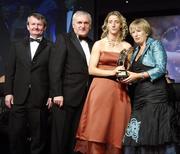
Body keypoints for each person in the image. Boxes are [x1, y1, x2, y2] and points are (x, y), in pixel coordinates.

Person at [74, 11, 132, 154]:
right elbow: (91, 70)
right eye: (110, 21)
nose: (113, 24)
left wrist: (125, 76)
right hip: (100, 89)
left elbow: (128, 70)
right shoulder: (99, 44)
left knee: (116, 128)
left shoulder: (127, 46)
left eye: (116, 22)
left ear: (121, 25)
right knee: (97, 126)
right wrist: (112, 72)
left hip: (119, 90)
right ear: (106, 24)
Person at [4, 13, 56, 154]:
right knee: (16, 135)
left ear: (44, 27)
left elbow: (54, 73)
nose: (36, 27)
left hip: (40, 98)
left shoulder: (51, 47)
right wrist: (8, 92)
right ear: (27, 26)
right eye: (33, 24)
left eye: (39, 24)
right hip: (18, 97)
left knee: (39, 137)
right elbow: (10, 72)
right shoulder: (16, 46)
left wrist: (52, 94)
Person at [122, 18, 177, 154]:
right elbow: (137, 74)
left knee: (155, 136)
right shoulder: (135, 51)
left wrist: (137, 76)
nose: (135, 34)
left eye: (138, 31)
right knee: (139, 137)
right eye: (133, 32)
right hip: (140, 97)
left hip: (155, 96)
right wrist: (129, 78)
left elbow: (160, 69)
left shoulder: (155, 45)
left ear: (146, 31)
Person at [50, 10, 93, 154]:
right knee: (61, 137)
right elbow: (55, 69)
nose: (83, 26)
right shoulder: (64, 39)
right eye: (79, 23)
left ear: (90, 26)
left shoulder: (93, 44)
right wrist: (57, 93)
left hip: (86, 97)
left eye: (86, 23)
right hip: (65, 97)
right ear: (73, 25)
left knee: (76, 137)